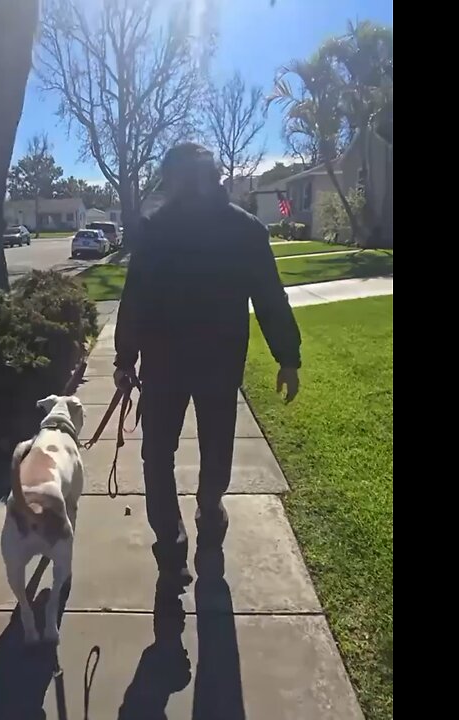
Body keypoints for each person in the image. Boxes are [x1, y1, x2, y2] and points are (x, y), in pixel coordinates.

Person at [114, 143, 302, 583]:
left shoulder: (157, 231)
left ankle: (175, 545)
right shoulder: (244, 230)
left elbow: (134, 302)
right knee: (211, 447)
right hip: (215, 362)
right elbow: (271, 299)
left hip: (169, 364)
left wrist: (126, 359)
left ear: (174, 180)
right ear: (215, 177)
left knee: (158, 457)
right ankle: (206, 515)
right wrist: (287, 358)